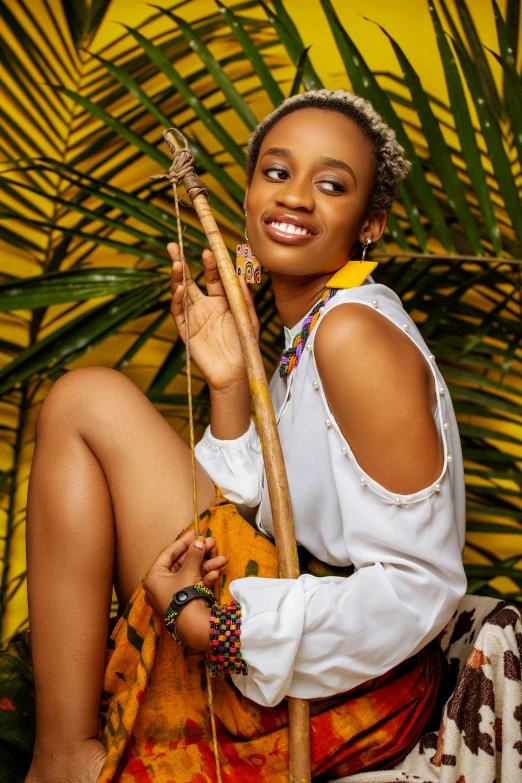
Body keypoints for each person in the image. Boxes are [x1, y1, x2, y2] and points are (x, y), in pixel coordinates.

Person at [21, 89, 466, 783]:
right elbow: (262, 508)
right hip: (309, 642)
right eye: (277, 172)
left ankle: (63, 762)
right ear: (251, 191)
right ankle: (65, 757)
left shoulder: (354, 333)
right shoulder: (311, 328)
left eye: (331, 183)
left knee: (89, 401)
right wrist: (231, 379)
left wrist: (226, 630)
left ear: (370, 222)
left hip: (356, 682)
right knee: (84, 401)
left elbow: (420, 585)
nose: (295, 198)